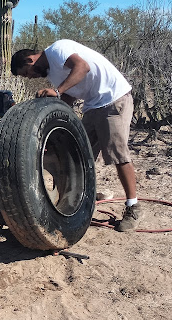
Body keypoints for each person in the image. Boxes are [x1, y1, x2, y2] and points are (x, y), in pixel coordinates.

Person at [10, 39, 142, 231]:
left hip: (113, 99)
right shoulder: (54, 74)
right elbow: (69, 96)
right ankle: (74, 206)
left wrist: (56, 91)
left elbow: (82, 67)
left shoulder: (57, 49)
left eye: (26, 74)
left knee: (118, 155)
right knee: (75, 155)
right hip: (93, 105)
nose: (30, 78)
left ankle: (133, 207)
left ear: (30, 60)